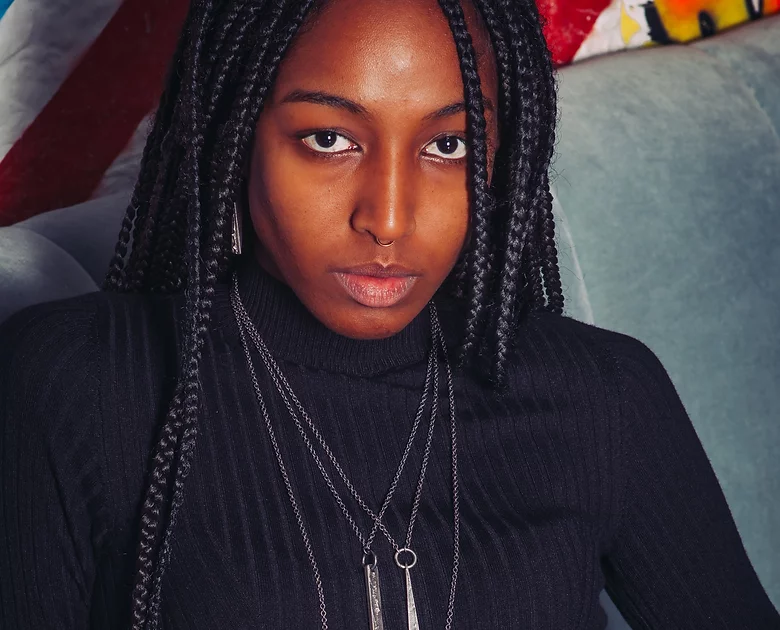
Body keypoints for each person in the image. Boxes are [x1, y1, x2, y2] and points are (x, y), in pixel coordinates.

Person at [1, 0, 778, 628]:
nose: (390, 218)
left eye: (447, 146)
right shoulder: (75, 385)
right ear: (232, 134)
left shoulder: (604, 396)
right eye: (330, 138)